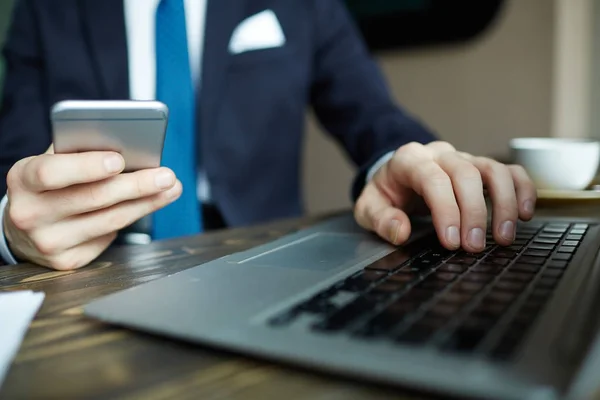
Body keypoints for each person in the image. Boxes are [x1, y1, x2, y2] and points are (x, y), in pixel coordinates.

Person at [0, 0, 536, 270]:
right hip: (94, 263)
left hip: (258, 256)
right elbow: (12, 167)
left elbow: (373, 112)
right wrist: (10, 231)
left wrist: (404, 160)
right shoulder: (44, 9)